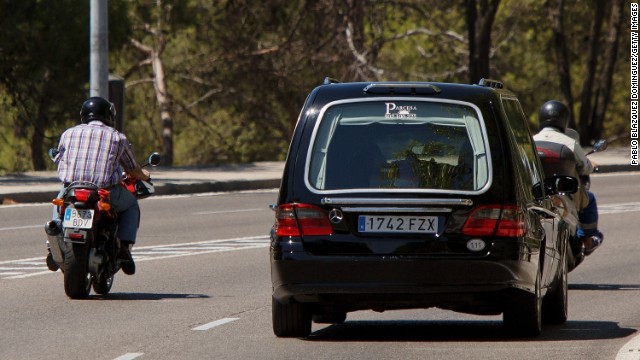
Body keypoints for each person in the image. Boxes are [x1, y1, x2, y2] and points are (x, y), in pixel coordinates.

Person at [52, 96, 150, 274]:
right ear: (108, 116)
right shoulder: (117, 137)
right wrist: (144, 175)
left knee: (60, 201)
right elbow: (131, 167)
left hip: (71, 189)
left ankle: (55, 235)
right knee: (131, 205)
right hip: (103, 192)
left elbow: (59, 158)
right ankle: (125, 248)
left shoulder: (68, 133)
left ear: (84, 115)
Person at [533, 100, 603, 255]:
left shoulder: (532, 141)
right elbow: (585, 166)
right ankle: (588, 241)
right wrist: (591, 164)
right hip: (565, 192)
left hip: (537, 191)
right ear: (564, 120)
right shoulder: (570, 142)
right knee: (589, 199)